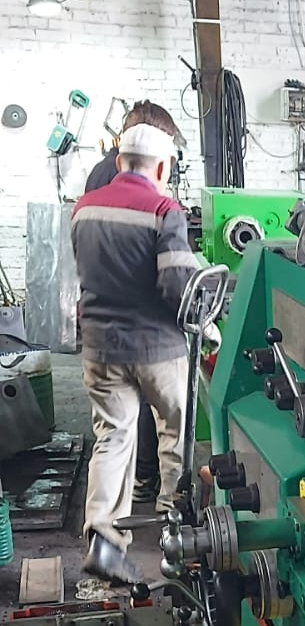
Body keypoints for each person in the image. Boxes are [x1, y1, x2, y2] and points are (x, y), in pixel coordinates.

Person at [71, 114, 198, 584]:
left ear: (120, 160)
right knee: (177, 433)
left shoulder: (83, 208)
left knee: (113, 437)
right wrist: (205, 316)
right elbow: (176, 284)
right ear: (161, 167)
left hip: (100, 347)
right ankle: (176, 527)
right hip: (157, 347)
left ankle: (104, 541)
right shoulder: (164, 210)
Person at [84, 102, 173, 503]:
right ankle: (158, 495)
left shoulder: (95, 184)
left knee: (113, 429)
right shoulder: (146, 195)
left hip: (102, 326)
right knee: (163, 414)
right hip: (142, 328)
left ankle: (109, 521)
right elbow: (165, 274)